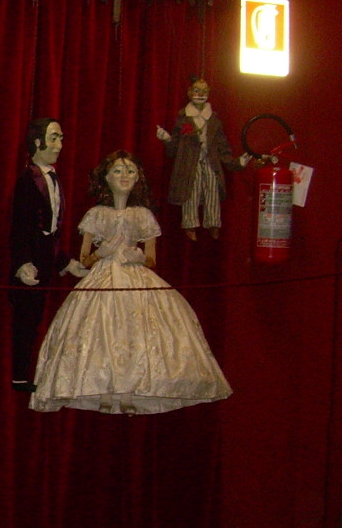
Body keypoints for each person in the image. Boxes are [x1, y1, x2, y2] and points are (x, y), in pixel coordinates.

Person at [30, 150, 232, 414]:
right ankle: (103, 387)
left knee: (134, 331)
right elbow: (85, 258)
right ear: (106, 177)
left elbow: (151, 259)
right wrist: (100, 254)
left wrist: (139, 257)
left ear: (138, 178)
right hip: (103, 276)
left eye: (130, 171)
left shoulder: (143, 215)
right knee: (101, 330)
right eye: (117, 171)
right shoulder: (97, 214)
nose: (124, 175)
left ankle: (128, 390)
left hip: (135, 276)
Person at [8, 118, 88, 392]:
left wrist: (65, 262)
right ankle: (19, 377)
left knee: (35, 320)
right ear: (37, 142)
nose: (59, 145)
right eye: (54, 138)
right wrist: (23, 263)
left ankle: (29, 374)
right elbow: (19, 227)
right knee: (25, 322)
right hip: (30, 263)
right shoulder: (27, 179)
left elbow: (50, 233)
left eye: (61, 138)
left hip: (44, 259)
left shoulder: (52, 178)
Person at [155, 77, 249, 240]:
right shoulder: (182, 118)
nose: (200, 94)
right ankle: (190, 223)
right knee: (191, 190)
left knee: (212, 189)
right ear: (190, 92)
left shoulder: (214, 120)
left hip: (210, 161)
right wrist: (167, 139)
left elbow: (223, 147)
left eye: (204, 91)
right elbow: (173, 149)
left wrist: (236, 163)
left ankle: (213, 223)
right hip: (189, 164)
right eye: (197, 91)